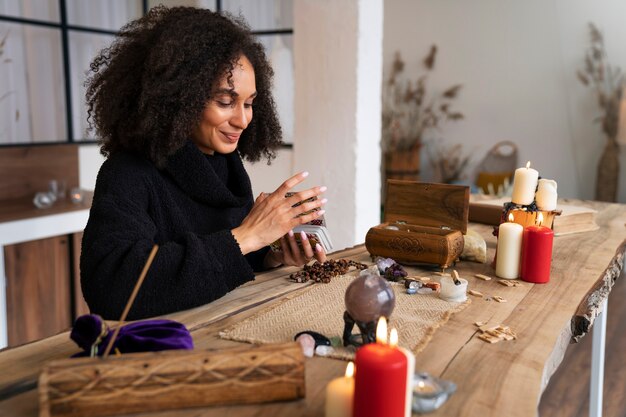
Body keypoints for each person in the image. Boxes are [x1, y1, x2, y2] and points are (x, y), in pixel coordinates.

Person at [80, 6, 327, 321]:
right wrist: (247, 236)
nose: (242, 119)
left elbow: (222, 265)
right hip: (162, 350)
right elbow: (111, 290)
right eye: (225, 102)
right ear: (180, 97)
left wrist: (271, 254)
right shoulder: (128, 173)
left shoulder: (227, 167)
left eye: (250, 104)